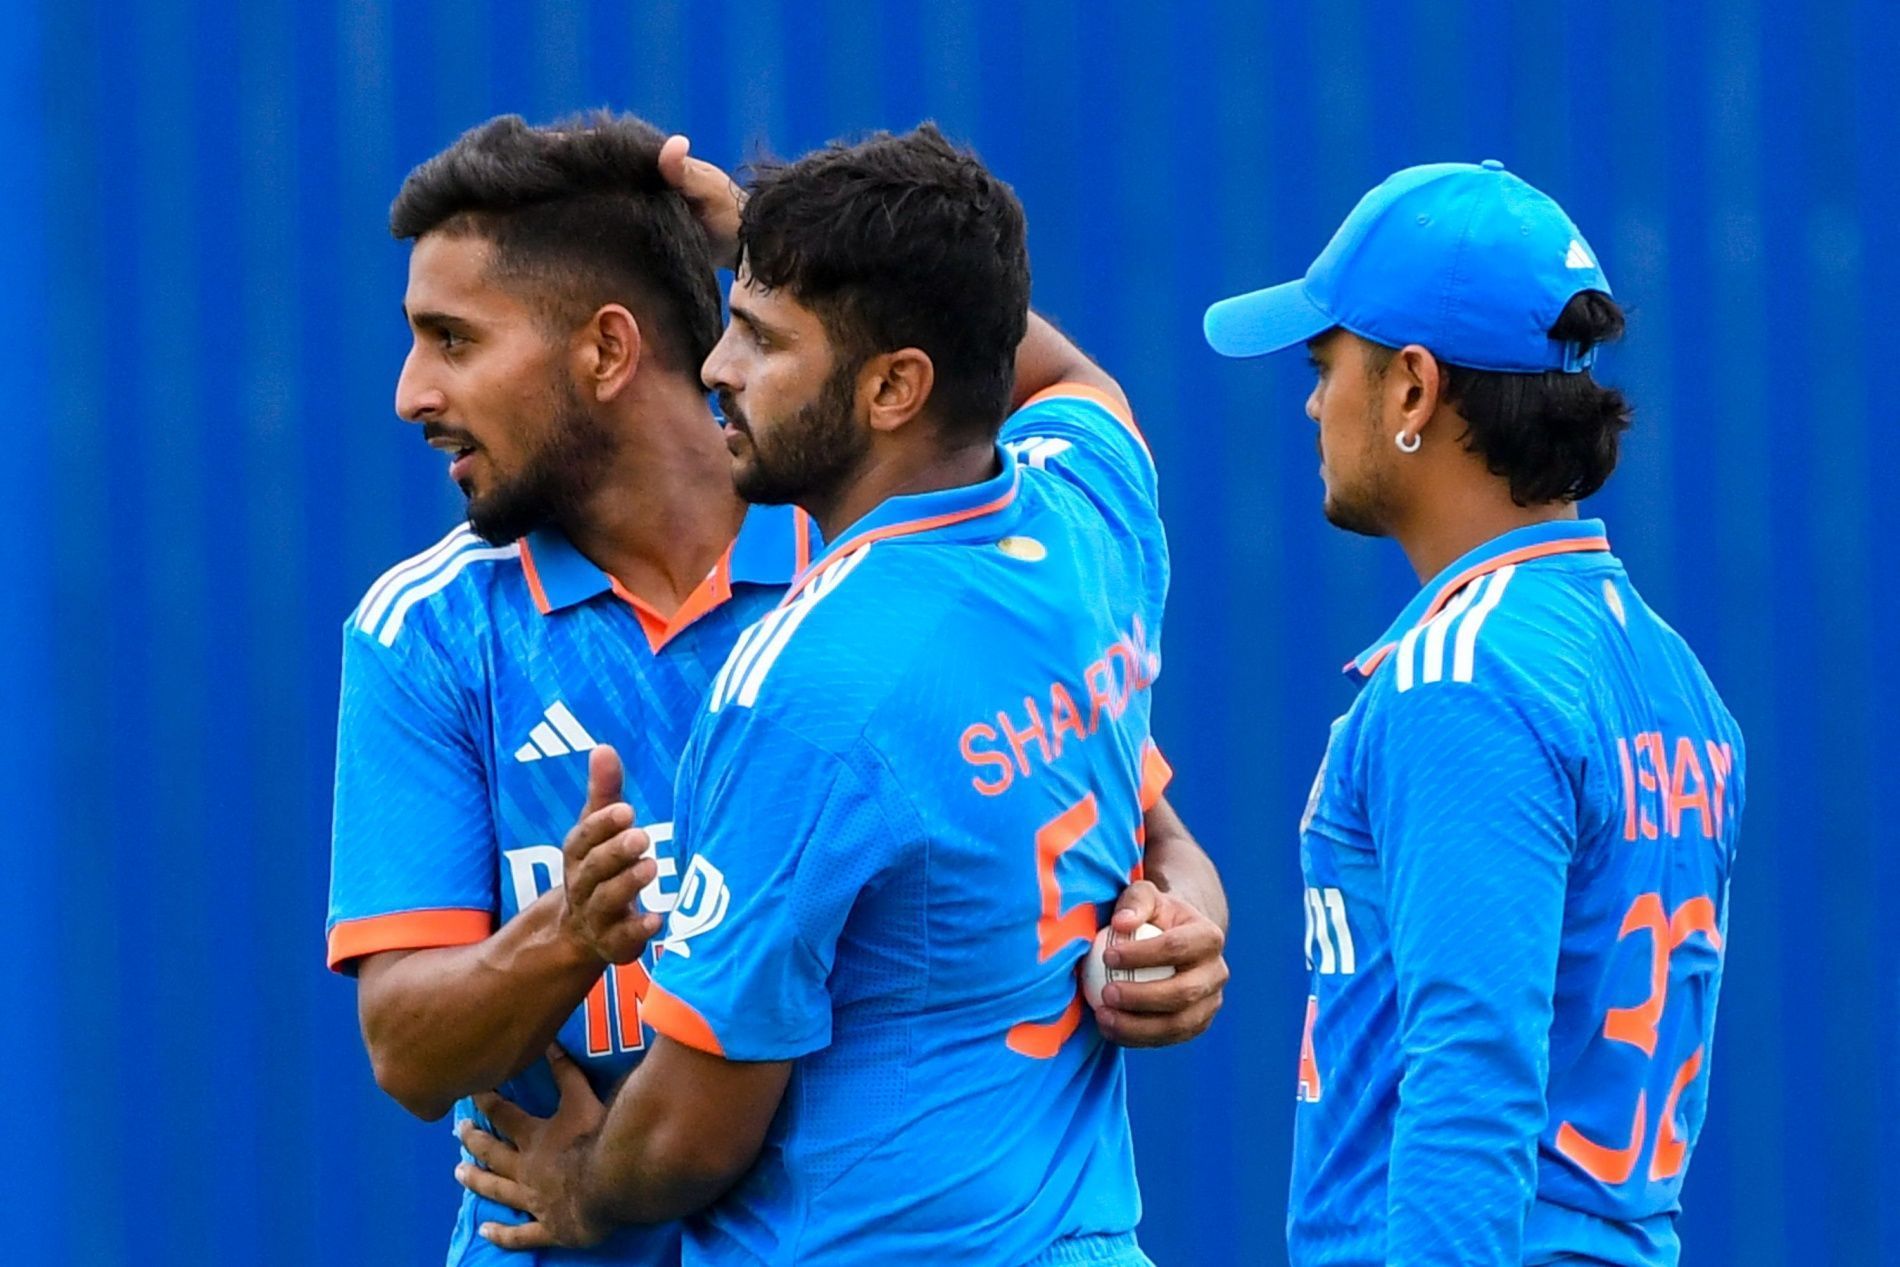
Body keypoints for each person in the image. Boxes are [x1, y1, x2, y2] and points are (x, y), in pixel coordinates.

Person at [327, 113, 1227, 1267]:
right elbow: (406, 1050)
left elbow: (1134, 825)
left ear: (605, 351)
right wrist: (566, 935)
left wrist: (1181, 922)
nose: (411, 391)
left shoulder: (868, 577)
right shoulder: (427, 633)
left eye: (452, 340)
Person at [1202, 161, 1745, 1265]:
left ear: (1411, 388)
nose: (1311, 401)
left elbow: (1470, 1081)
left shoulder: (1461, 677)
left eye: (1323, 364)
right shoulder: (1675, 677)